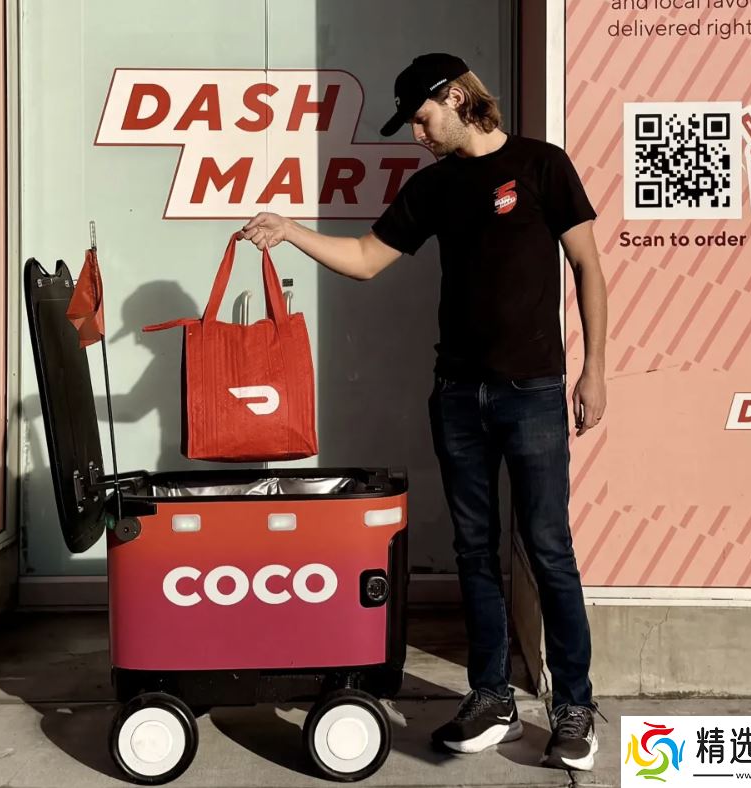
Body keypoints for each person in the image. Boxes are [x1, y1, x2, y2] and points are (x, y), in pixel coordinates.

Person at [241, 52, 607, 771]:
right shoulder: (434, 187)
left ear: (457, 98)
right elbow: (365, 258)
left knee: (547, 547)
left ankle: (573, 706)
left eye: (421, 117)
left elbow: (588, 266)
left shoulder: (542, 166)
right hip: (458, 396)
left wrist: (595, 369)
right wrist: (289, 230)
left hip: (533, 392)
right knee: (474, 549)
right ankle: (491, 698)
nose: (417, 133)